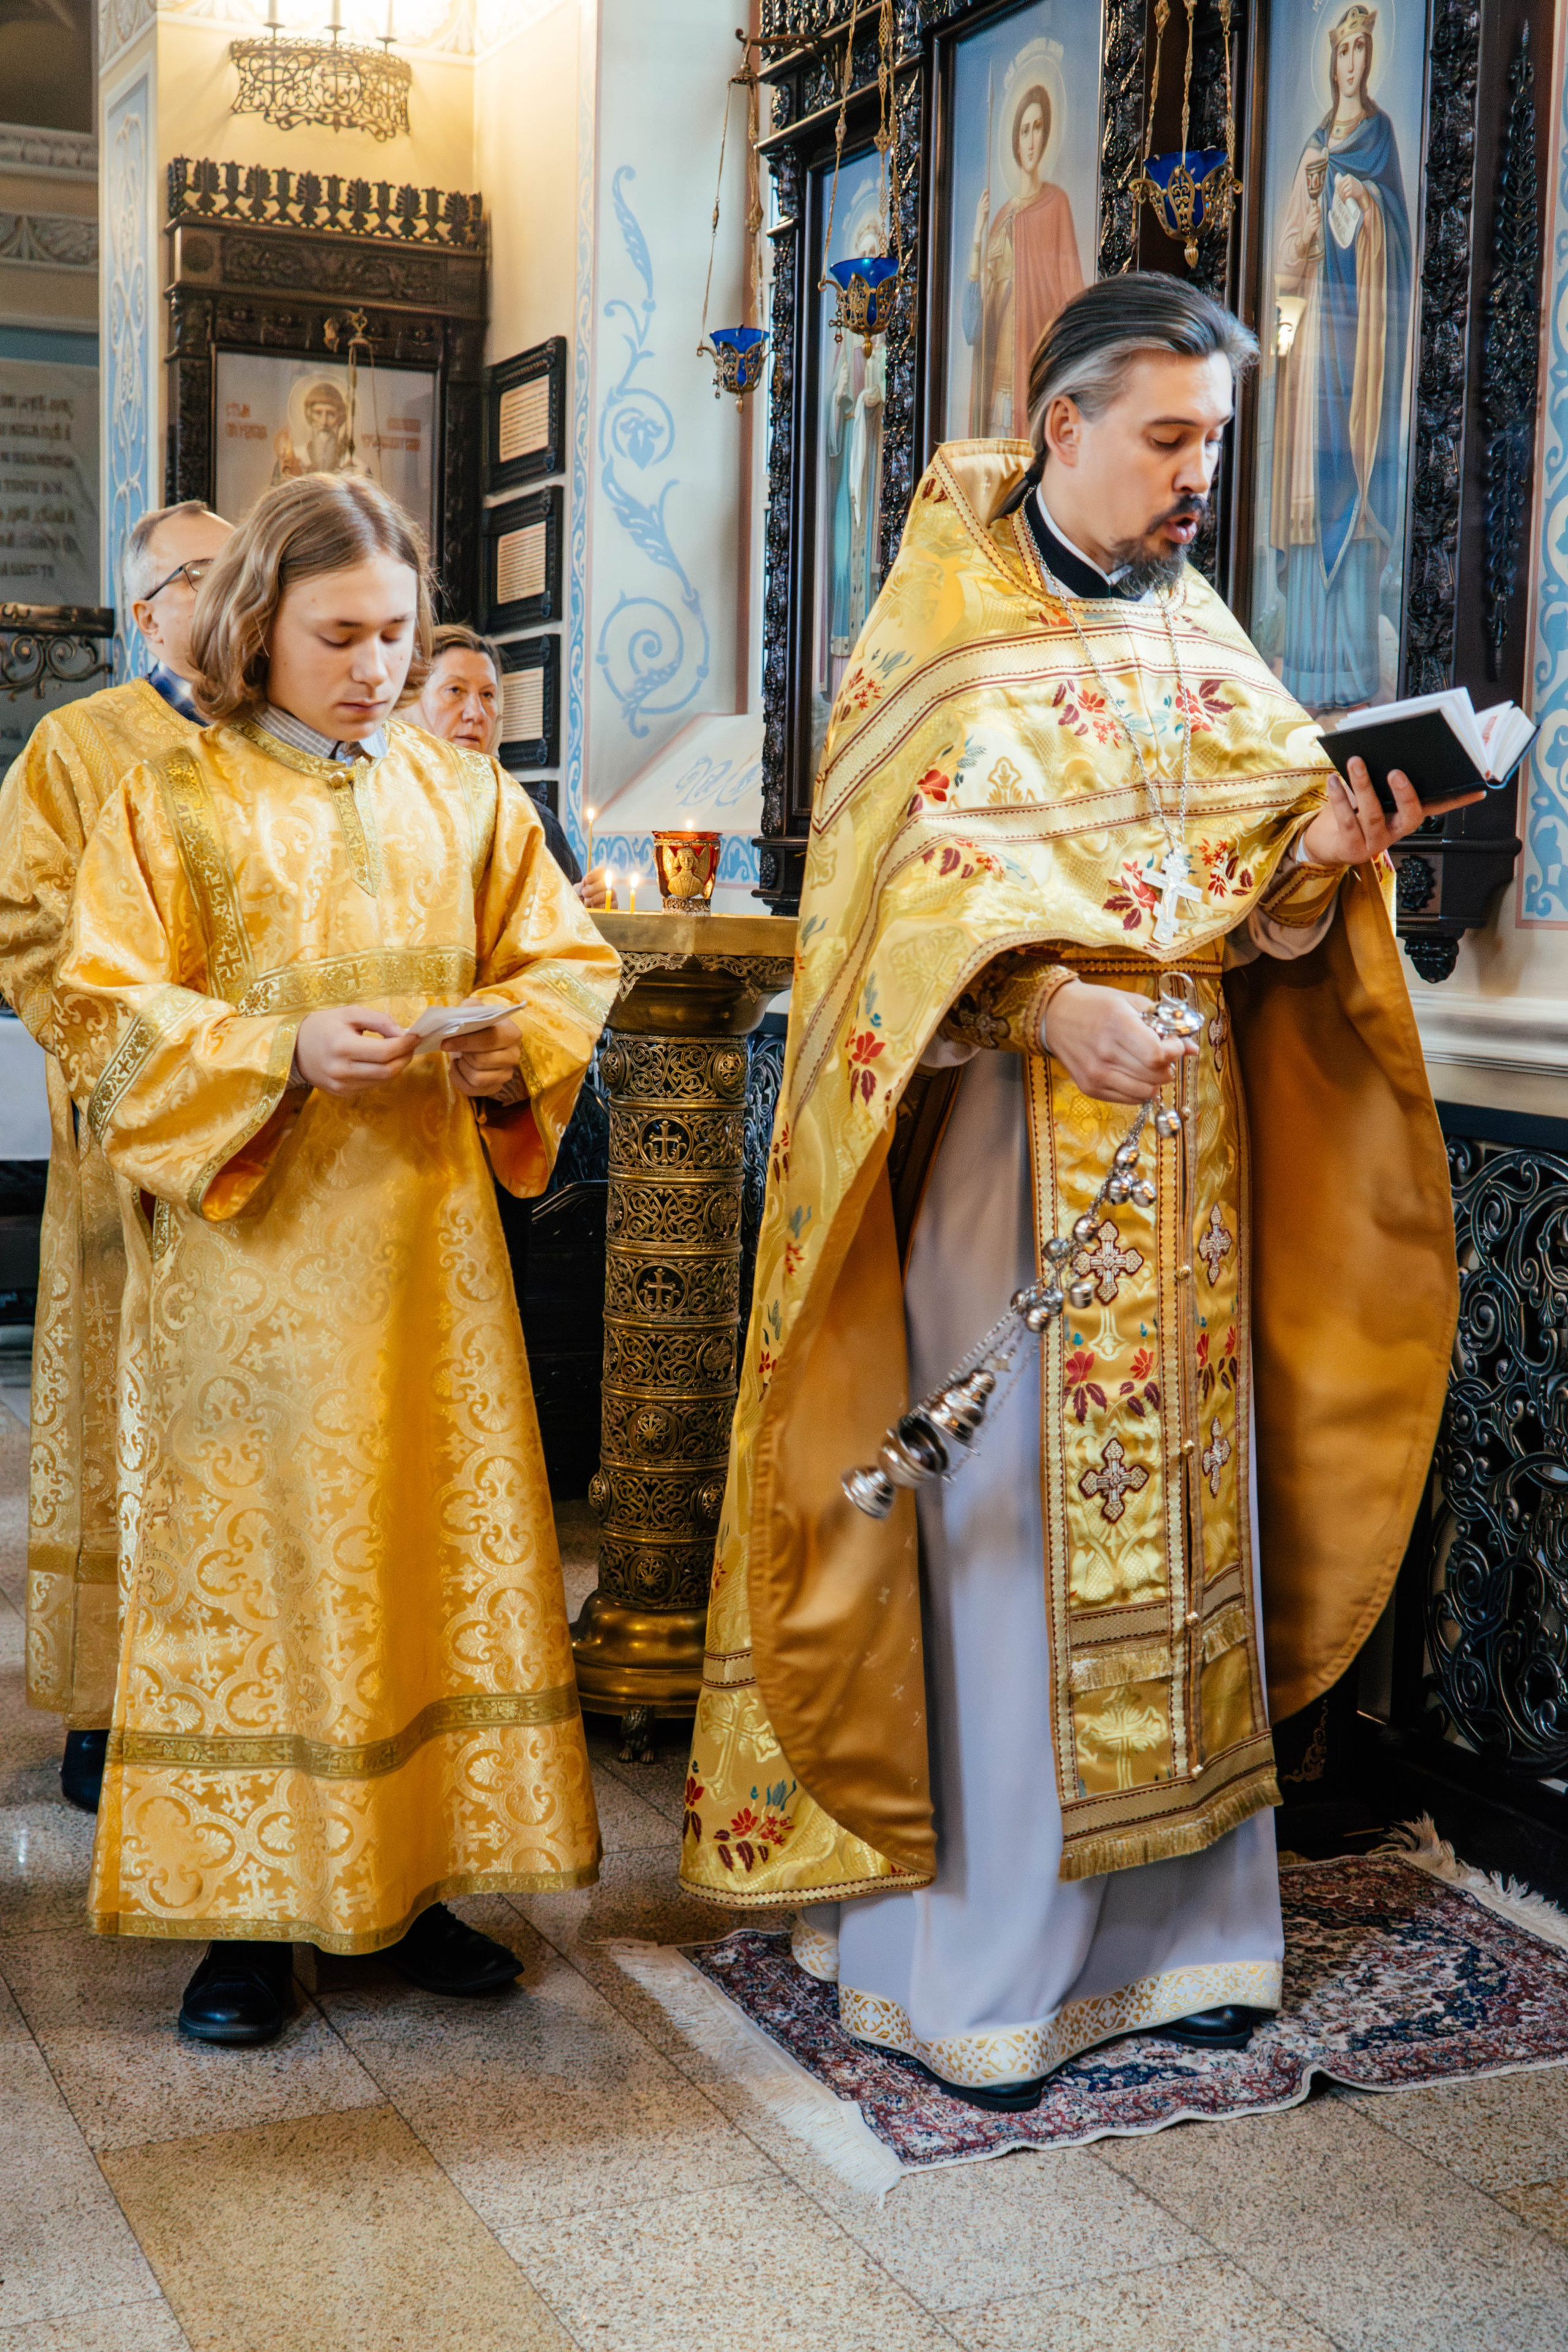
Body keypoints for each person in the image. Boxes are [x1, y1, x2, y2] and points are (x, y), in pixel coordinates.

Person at [679, 273, 1469, 2110]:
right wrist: (1045, 998)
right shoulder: (940, 635)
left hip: (1185, 1170)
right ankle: (982, 1958)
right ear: (1064, 428)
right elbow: (882, 929)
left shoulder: (1199, 634)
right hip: (1003, 1167)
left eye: (1213, 439)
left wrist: (1325, 855)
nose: (1200, 475)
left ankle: (1185, 1948)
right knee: (1006, 1537)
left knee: (1187, 1539)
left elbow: (1259, 913)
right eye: (1170, 438)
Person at [52, 473, 620, 2046]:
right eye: (339, 634)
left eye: (392, 632)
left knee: (422, 1559)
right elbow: (106, 1015)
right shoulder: (173, 800)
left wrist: (519, 1052)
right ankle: (243, 1918)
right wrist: (282, 1044)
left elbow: (563, 954)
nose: (376, 666)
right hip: (253, 1267)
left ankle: (420, 1879)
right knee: (257, 1577)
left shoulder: (463, 793)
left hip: (430, 1260)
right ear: (259, 626)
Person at [0, 497, 232, 1813]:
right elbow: (30, 930)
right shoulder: (75, 745)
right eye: (206, 577)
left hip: (284, 1133)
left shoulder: (288, 740)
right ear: (148, 611)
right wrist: (148, 1055)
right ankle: (111, 1699)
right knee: (118, 1413)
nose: (235, 592)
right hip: (132, 1141)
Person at [1268, 4, 1411, 709]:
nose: (1351, 63)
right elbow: (1283, 276)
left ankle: (1351, 677)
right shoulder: (1312, 147)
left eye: (1362, 50)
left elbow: (1396, 247)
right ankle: (1302, 672)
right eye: (1343, 51)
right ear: (1330, 62)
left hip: (1356, 353)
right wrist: (1284, 348)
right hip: (1310, 359)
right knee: (1304, 494)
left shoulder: (1379, 138)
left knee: (1347, 487)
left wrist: (1364, 204)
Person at [405, 624, 609, 908]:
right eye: (455, 690)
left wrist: (592, 911)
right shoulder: (379, 808)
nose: (476, 713)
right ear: (411, 701)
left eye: (488, 695)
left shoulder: (533, 821)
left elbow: (564, 933)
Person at [964, 77, 1085, 437]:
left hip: (1035, 365)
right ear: (1015, 141)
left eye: (1038, 128)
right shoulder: (1001, 218)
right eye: (1024, 131)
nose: (1032, 141)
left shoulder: (1056, 204)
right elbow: (973, 325)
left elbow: (1071, 295)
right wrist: (977, 235)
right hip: (999, 370)